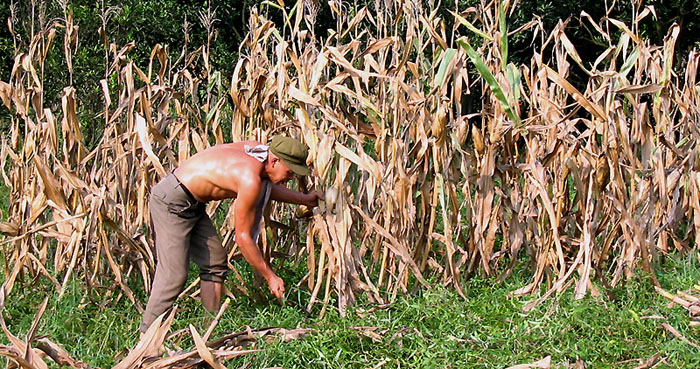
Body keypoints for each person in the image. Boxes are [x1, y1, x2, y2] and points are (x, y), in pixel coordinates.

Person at [139, 136, 323, 334]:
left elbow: (268, 187)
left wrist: (305, 200)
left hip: (191, 202)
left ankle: (207, 332)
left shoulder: (258, 152)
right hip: (172, 202)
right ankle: (146, 339)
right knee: (174, 274)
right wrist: (270, 276)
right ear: (275, 161)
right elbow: (242, 239)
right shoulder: (248, 177)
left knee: (215, 262)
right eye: (290, 172)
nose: (291, 178)